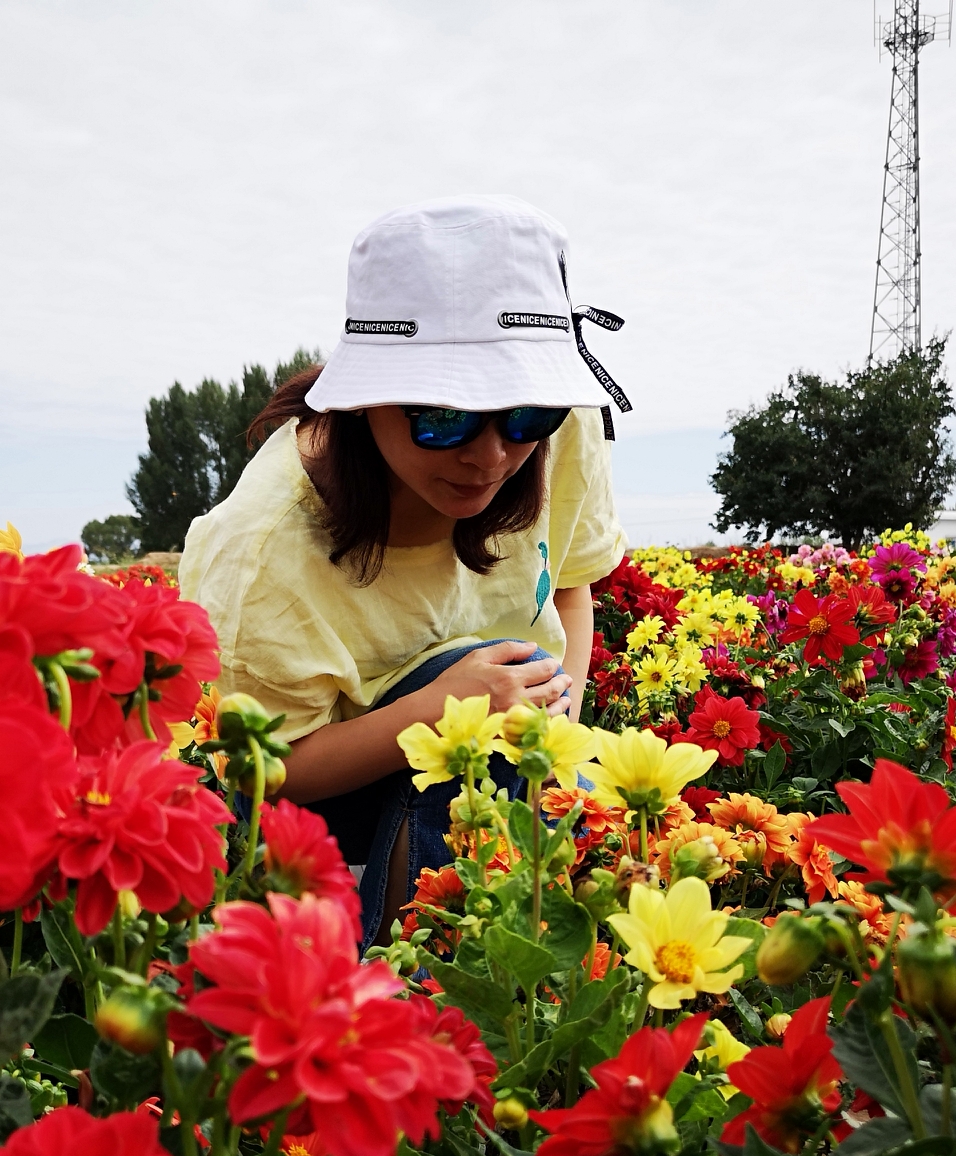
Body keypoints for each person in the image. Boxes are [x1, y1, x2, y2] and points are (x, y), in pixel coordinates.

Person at [181, 196, 628, 945]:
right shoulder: (265, 547)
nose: (490, 456)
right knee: (481, 722)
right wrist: (439, 714)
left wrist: (558, 733)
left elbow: (575, 588)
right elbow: (255, 771)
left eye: (523, 416)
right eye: (441, 417)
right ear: (362, 403)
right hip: (316, 819)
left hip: (502, 743)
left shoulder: (559, 427)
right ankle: (410, 986)